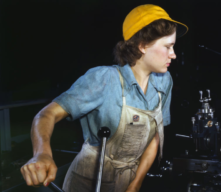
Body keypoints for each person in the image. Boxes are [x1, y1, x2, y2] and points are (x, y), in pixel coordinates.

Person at [20, 4, 188, 192]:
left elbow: (155, 137)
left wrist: (135, 184)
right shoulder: (104, 79)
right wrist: (41, 154)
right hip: (87, 182)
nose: (173, 54)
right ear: (142, 45)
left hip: (128, 181)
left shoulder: (164, 81)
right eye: (168, 47)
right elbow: (46, 115)